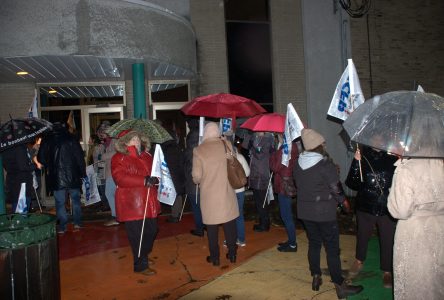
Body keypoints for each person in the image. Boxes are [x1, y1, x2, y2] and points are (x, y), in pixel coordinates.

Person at [293, 128, 363, 298]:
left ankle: (316, 277)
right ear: (318, 145)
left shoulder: (297, 163)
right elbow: (336, 189)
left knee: (314, 244)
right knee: (332, 249)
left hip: (305, 212)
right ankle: (340, 286)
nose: (325, 144)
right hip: (324, 213)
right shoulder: (324, 164)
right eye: (323, 142)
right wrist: (346, 204)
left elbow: (303, 184)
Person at [387, 157, 444, 299]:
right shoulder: (441, 164)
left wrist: (393, 194)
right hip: (439, 227)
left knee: (414, 280)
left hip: (415, 231)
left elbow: (400, 210)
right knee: (437, 279)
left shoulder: (407, 168)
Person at [345, 145, 397, 288]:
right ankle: (359, 260)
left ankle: (387, 270)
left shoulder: (393, 158)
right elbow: (351, 183)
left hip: (386, 207)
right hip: (365, 205)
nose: (378, 141)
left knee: (387, 238)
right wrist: (356, 162)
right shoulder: (362, 157)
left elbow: (399, 181)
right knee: (362, 235)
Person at [111, 130, 160, 276]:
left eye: (138, 138)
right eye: (133, 139)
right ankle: (140, 265)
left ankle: (143, 254)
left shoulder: (146, 156)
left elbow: (153, 173)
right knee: (137, 236)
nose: (137, 141)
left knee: (152, 230)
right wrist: (144, 180)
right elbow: (120, 178)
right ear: (125, 142)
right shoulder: (119, 158)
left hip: (148, 201)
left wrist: (155, 179)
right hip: (132, 204)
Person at [192, 122, 239, 266]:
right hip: (227, 194)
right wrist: (226, 141)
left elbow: (196, 176)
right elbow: (234, 161)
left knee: (212, 229)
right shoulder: (226, 145)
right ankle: (232, 254)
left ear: (206, 133)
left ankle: (215, 257)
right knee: (230, 226)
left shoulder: (199, 150)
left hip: (209, 197)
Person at [38, 122, 86, 233]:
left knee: (60, 203)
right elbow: (79, 158)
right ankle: (77, 223)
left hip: (56, 177)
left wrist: (49, 163)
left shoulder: (47, 139)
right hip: (73, 175)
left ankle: (63, 227)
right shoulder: (72, 138)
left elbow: (42, 159)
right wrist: (82, 173)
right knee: (76, 200)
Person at [269, 135, 299, 252]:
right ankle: (291, 241)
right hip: (288, 183)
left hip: (283, 186)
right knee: (287, 215)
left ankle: (292, 244)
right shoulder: (293, 146)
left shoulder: (285, 149)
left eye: (278, 135)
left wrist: (273, 153)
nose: (276, 137)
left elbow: (275, 167)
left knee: (286, 215)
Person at [242, 131, 274, 232]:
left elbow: (260, 155)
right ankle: (262, 221)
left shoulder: (267, 140)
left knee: (262, 202)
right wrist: (248, 138)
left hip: (261, 175)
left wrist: (253, 147)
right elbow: (244, 146)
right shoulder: (257, 138)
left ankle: (265, 225)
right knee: (258, 201)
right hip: (256, 174)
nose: (255, 131)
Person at [223, 130, 250, 247]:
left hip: (228, 192)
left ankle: (231, 239)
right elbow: (248, 173)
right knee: (239, 216)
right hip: (240, 191)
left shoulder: (224, 160)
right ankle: (241, 239)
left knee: (229, 216)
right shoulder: (240, 157)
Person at [184, 118, 205, 237]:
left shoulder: (191, 149)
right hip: (204, 180)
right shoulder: (202, 142)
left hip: (194, 181)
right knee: (203, 205)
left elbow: (188, 164)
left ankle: (200, 229)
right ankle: (205, 225)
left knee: (196, 206)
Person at [2, 143, 36, 213]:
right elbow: (23, 166)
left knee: (16, 203)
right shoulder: (20, 148)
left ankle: (17, 221)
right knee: (22, 206)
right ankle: (22, 221)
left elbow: (6, 165)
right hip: (22, 181)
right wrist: (34, 166)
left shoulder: (5, 148)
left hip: (12, 180)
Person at [102, 137, 119, 226]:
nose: (101, 134)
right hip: (110, 172)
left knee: (109, 193)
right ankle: (116, 215)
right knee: (113, 194)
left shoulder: (114, 141)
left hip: (112, 173)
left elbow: (116, 152)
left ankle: (116, 216)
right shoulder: (107, 143)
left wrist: (104, 155)